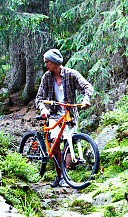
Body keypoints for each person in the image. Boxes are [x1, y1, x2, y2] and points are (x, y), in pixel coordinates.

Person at [35, 48, 93, 185]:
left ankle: (66, 176)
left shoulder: (71, 74)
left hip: (70, 114)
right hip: (54, 115)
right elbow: (39, 98)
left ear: (55, 62)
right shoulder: (46, 77)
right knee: (55, 144)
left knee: (69, 142)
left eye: (47, 62)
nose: (45, 65)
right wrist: (43, 109)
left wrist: (86, 99)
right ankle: (59, 175)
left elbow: (87, 86)